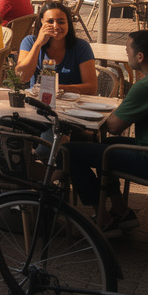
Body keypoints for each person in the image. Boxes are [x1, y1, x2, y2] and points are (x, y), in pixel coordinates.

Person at [63, 30, 148, 234]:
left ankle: (103, 217)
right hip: (142, 148)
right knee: (105, 146)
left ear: (140, 56)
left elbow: (113, 125)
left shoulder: (143, 87)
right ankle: (120, 210)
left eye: (127, 49)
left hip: (145, 158)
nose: (125, 53)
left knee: (67, 151)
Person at [15, 2, 97, 94]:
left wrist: (54, 88)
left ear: (68, 24)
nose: (56, 26)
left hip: (72, 104)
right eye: (50, 21)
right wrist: (38, 44)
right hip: (37, 102)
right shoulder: (30, 42)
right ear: (42, 22)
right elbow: (22, 77)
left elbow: (91, 88)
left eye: (61, 22)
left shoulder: (81, 47)